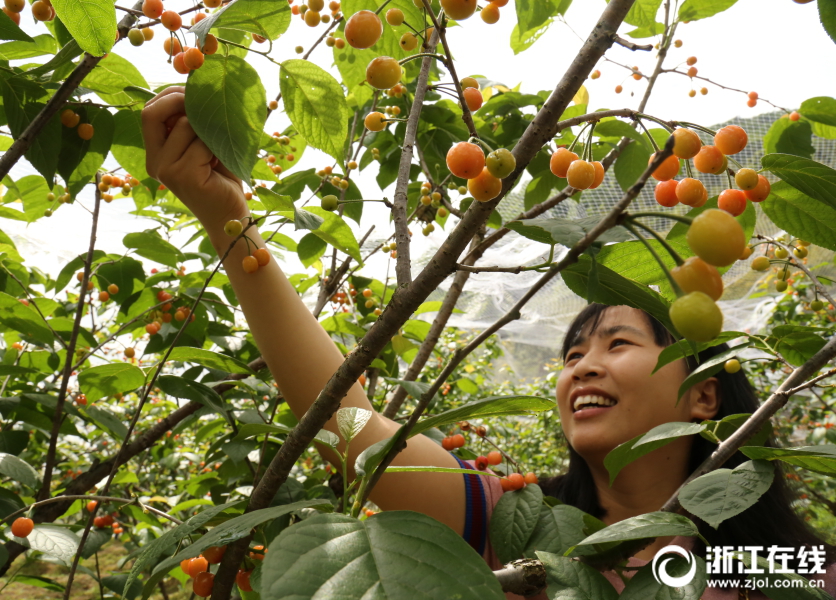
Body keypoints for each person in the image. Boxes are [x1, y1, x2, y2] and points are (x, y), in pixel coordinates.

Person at [142, 89, 836, 599]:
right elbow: (343, 419)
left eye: (617, 342)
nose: (582, 365)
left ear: (705, 393)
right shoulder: (511, 521)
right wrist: (232, 228)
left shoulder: (768, 564)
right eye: (570, 355)